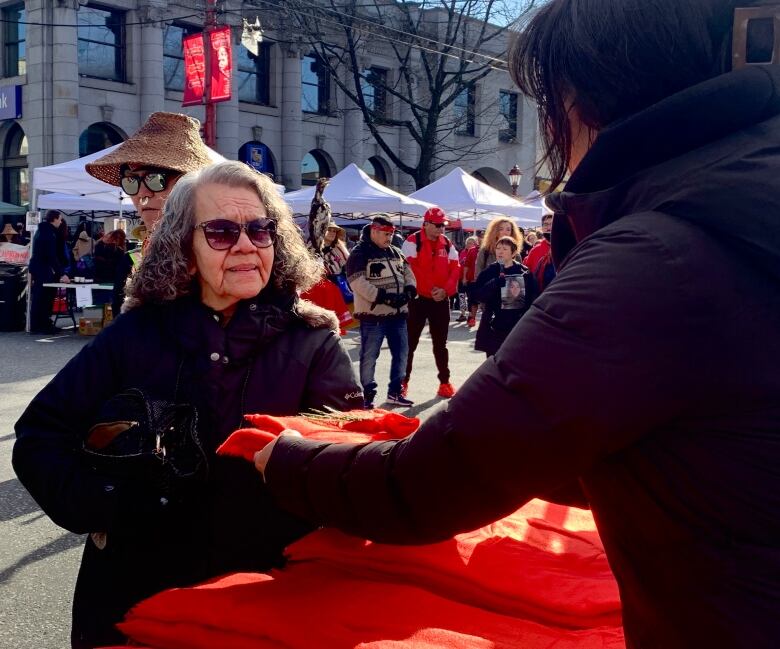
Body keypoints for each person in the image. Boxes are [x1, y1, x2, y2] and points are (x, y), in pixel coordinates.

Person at [254, 1, 780, 647]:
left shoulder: (660, 255)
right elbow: (689, 451)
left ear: (579, 97)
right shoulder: (735, 202)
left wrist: (280, 459)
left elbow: (431, 483)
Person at [13, 161, 363, 648]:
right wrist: (110, 505)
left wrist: (296, 469)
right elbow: (40, 437)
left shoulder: (313, 344)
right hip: (137, 601)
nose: (246, 244)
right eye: (221, 232)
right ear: (186, 251)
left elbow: (352, 470)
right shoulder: (134, 335)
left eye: (261, 230)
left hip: (266, 604)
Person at [85, 111, 214, 312]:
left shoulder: (225, 246)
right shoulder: (135, 257)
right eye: (131, 181)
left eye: (156, 179)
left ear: (191, 184)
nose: (142, 193)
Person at [346, 215, 417, 409]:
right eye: (386, 234)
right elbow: (356, 282)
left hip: (399, 314)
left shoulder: (395, 251)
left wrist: (410, 288)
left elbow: (408, 271)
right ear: (374, 231)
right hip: (373, 315)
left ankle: (395, 392)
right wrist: (383, 296)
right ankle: (367, 395)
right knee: (369, 356)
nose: (390, 237)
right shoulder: (360, 253)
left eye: (392, 233)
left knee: (402, 354)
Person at [400, 206, 460, 398]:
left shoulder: (448, 244)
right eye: (437, 225)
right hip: (418, 300)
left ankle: (445, 382)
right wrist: (433, 289)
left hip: (441, 300)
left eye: (443, 225)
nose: (441, 229)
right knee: (410, 343)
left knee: (440, 344)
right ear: (425, 224)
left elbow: (455, 269)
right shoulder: (411, 241)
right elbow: (410, 269)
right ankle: (402, 382)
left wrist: (446, 291)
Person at [473, 236, 536, 357]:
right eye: (498, 248)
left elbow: (532, 298)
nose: (500, 251)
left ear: (513, 253)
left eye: (505, 249)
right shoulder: (489, 271)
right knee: (494, 364)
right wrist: (493, 284)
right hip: (494, 326)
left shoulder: (524, 272)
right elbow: (476, 296)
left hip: (516, 328)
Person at [28, 210, 70, 334]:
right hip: (42, 269)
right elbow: (51, 255)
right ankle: (39, 325)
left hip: (41, 268)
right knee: (42, 297)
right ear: (54, 219)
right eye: (60, 219)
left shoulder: (45, 231)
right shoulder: (48, 233)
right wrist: (61, 273)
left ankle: (44, 323)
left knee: (46, 296)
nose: (61, 221)